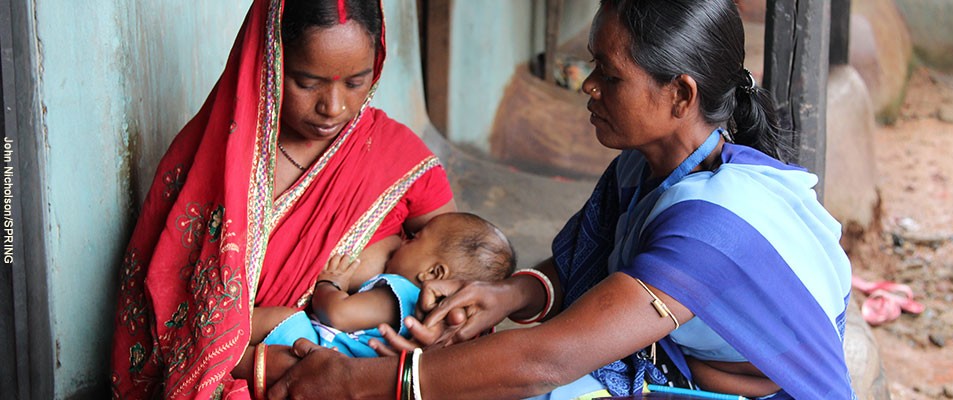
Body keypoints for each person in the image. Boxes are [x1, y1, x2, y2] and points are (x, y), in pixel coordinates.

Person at [267, 1, 854, 399]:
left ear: (680, 95)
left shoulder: (715, 227)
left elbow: (549, 358)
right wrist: (505, 295)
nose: (588, 84)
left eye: (608, 73)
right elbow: (580, 271)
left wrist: (363, 381)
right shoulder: (643, 170)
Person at [109, 0, 457, 398]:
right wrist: (256, 364)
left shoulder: (398, 159)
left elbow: (461, 267)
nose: (333, 106)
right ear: (269, 59)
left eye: (356, 82)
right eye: (308, 83)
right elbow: (165, 315)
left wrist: (429, 335)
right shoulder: (212, 159)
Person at [233, 212, 514, 387]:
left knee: (279, 318)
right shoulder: (427, 316)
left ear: (433, 272)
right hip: (333, 371)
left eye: (415, 239)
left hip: (317, 352)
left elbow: (339, 314)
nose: (404, 241)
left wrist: (330, 283)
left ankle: (217, 334)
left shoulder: (402, 293)